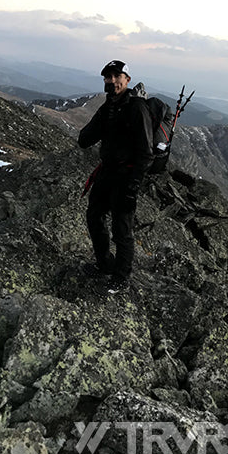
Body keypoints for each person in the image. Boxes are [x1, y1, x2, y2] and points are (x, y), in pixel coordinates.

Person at [78, 60, 153, 293]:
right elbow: (84, 140)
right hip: (107, 172)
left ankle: (121, 277)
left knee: (122, 229)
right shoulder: (107, 108)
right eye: (107, 78)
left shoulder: (136, 108)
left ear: (127, 79)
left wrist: (134, 186)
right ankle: (104, 265)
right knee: (94, 217)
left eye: (116, 76)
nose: (111, 81)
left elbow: (146, 152)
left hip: (126, 176)